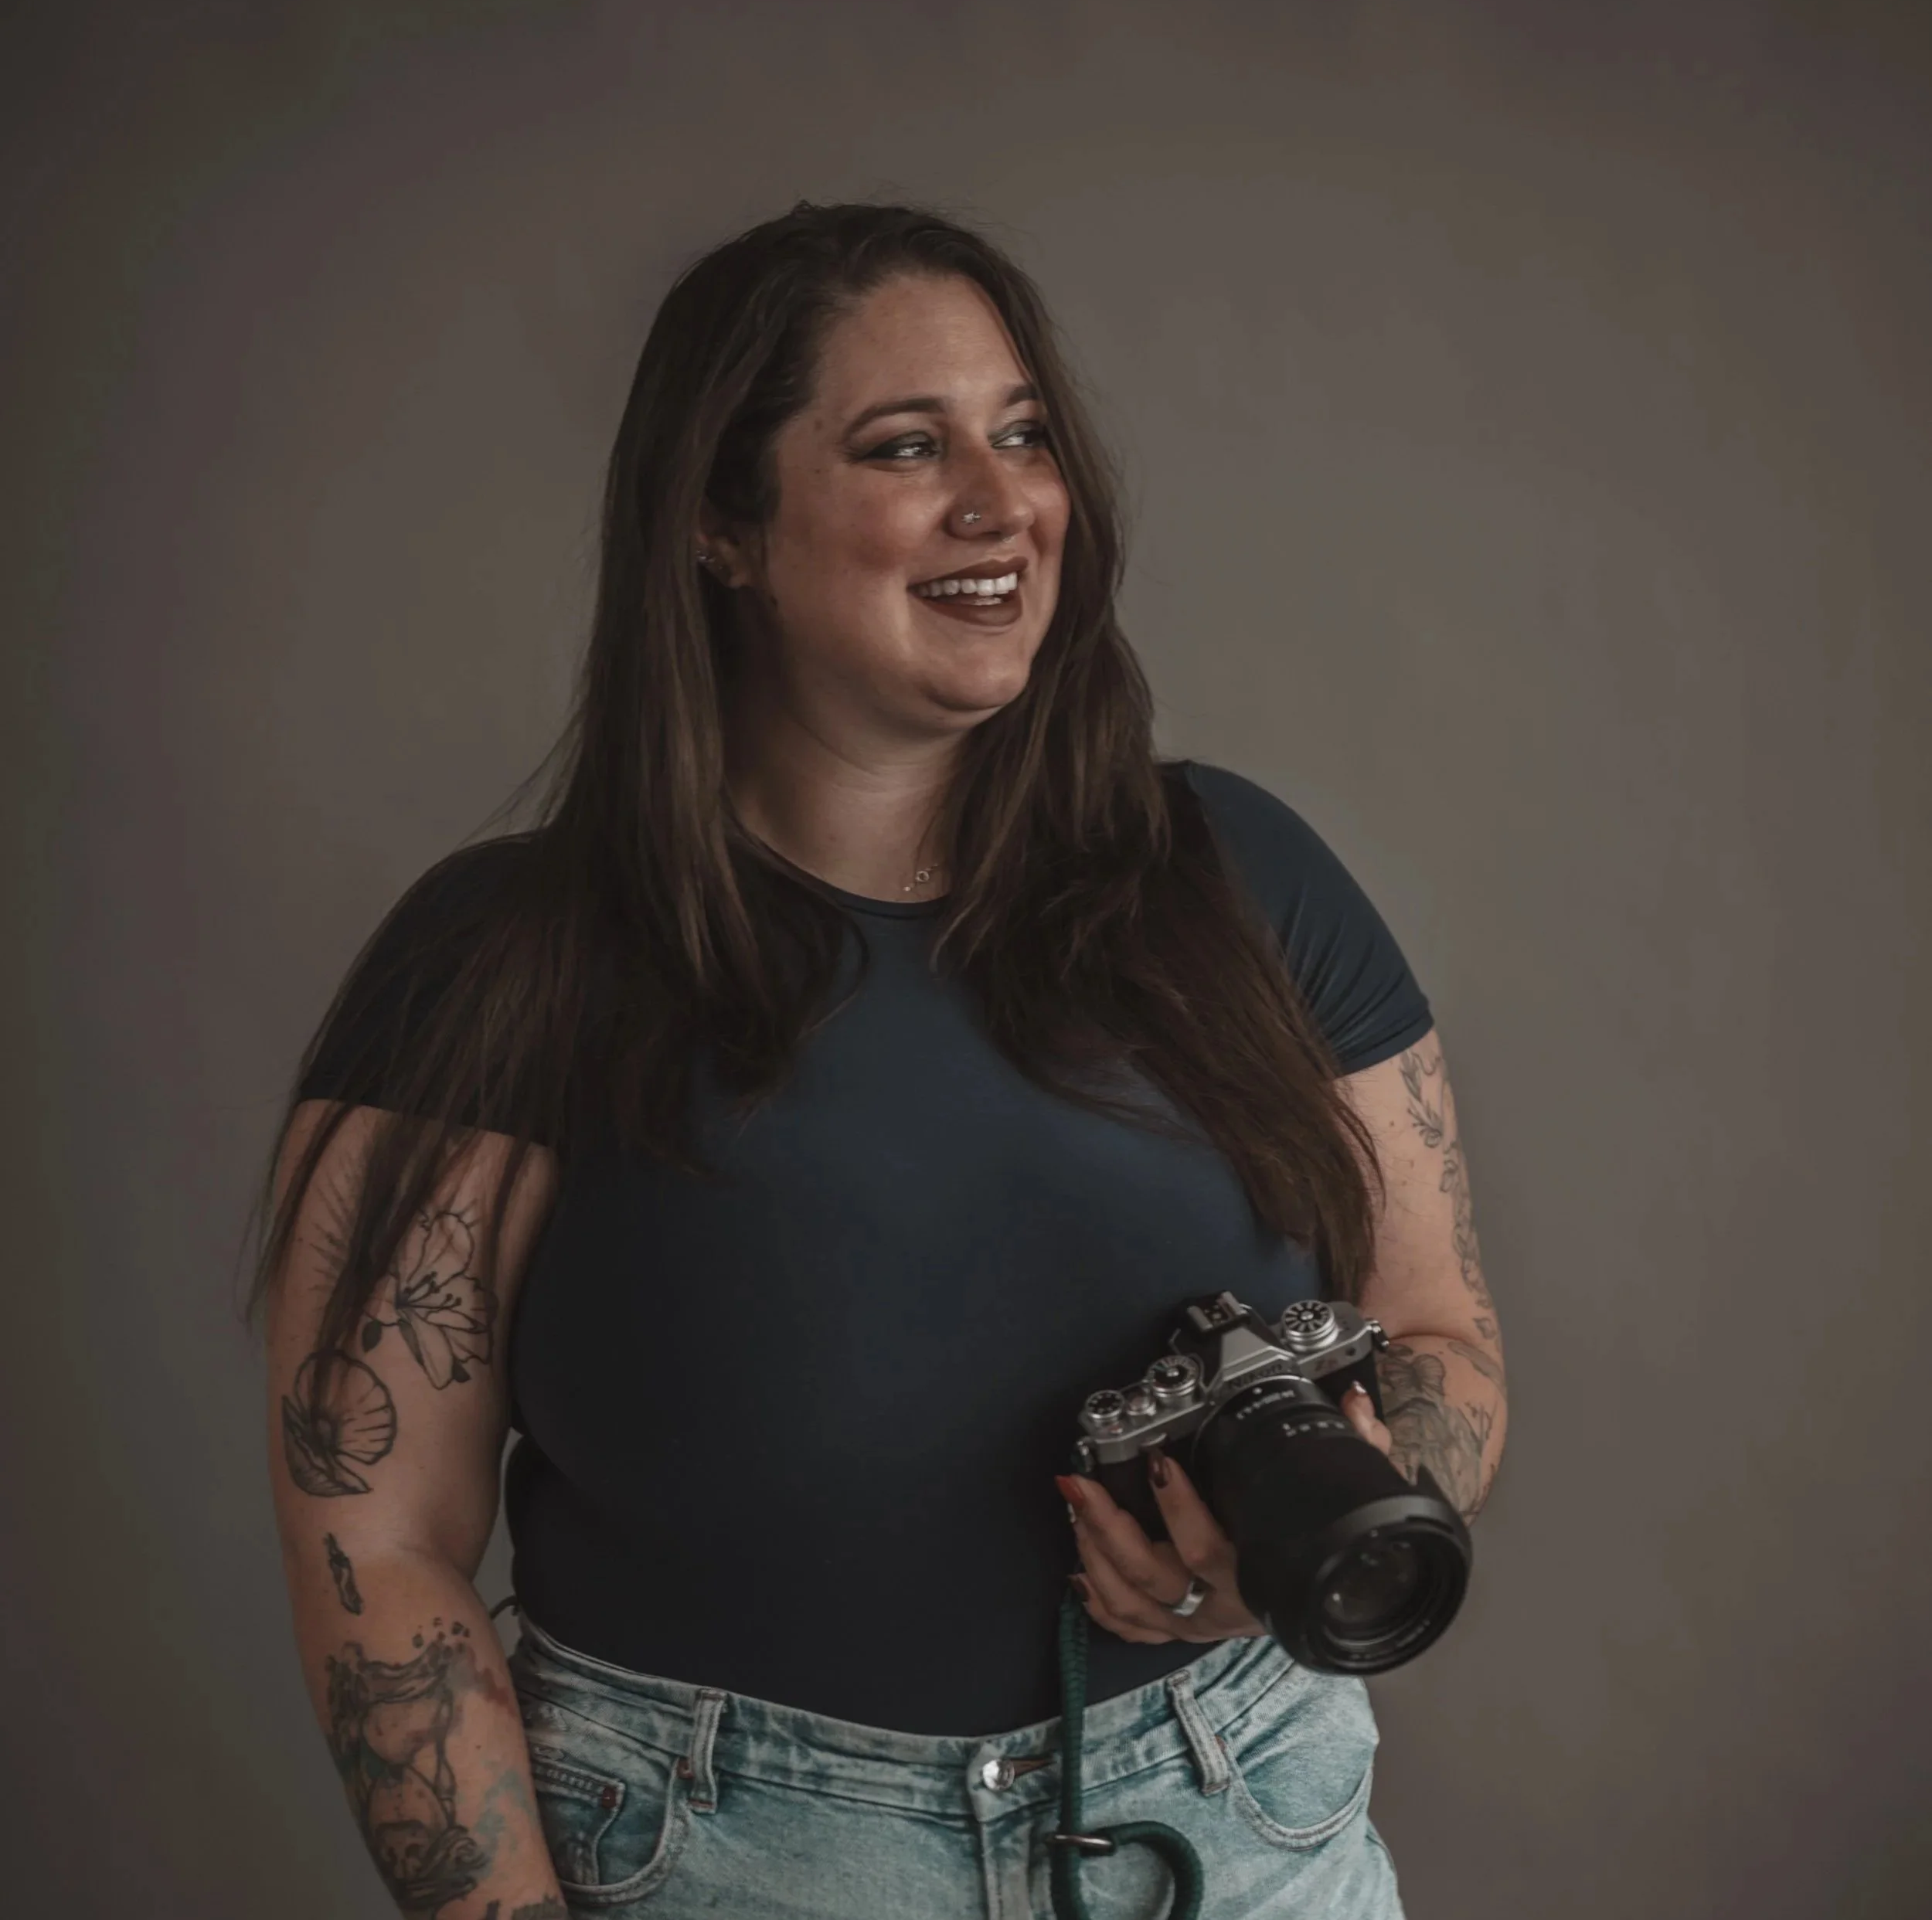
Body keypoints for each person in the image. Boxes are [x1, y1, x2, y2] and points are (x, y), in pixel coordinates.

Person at [255, 201, 1507, 1920]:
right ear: (719, 521)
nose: (1001, 505)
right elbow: (376, 1541)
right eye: (905, 446)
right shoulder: (502, 962)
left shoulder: (1241, 871)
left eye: (1023, 433)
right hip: (726, 1852)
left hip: (1236, 1823)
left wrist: (1290, 1559)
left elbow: (1438, 1326)